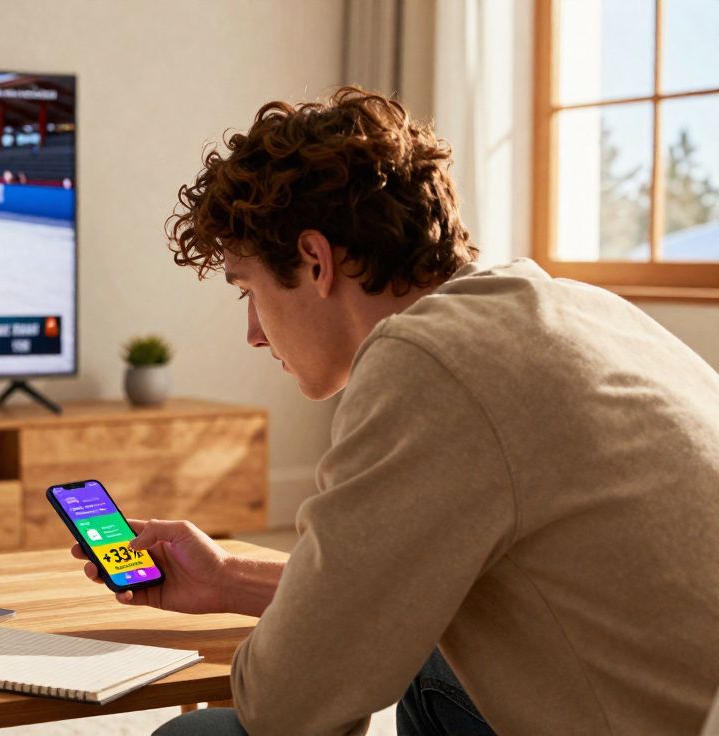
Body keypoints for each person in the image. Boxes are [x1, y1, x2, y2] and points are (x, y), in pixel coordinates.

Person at [73, 86, 719, 735]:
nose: (254, 333)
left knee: (201, 734)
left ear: (315, 260)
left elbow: (289, 705)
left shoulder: (431, 364)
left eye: (250, 291)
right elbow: (395, 594)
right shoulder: (568, 306)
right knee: (433, 659)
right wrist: (228, 579)